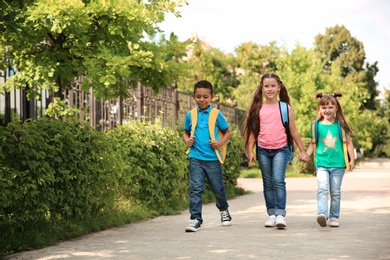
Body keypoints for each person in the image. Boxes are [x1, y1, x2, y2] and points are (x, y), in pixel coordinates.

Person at [243, 72, 309, 228]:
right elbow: (253, 132)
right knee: (267, 182)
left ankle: (280, 214)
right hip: (263, 150)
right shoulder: (258, 108)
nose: (270, 89)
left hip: (281, 149)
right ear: (262, 88)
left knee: (278, 180)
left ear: (279, 87)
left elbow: (293, 131)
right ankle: (271, 214)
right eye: (266, 86)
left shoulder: (285, 108)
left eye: (273, 86)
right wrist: (251, 151)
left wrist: (302, 151)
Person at [183, 80, 232, 232]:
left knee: (218, 188)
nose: (202, 100)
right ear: (194, 97)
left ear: (211, 97)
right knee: (195, 188)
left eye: (205, 97)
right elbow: (185, 132)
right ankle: (195, 219)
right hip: (195, 157)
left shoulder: (217, 114)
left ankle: (224, 210)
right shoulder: (190, 115)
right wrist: (187, 140)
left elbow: (227, 132)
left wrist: (219, 143)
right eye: (198, 97)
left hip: (212, 159)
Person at [305, 92, 355, 228]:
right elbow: (313, 143)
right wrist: (307, 155)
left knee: (335, 192)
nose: (327, 110)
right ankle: (322, 214)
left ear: (336, 108)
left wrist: (352, 160)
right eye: (324, 107)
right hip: (321, 163)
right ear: (319, 109)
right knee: (322, 189)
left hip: (338, 165)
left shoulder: (341, 125)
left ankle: (334, 216)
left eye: (330, 107)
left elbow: (349, 143)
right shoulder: (315, 125)